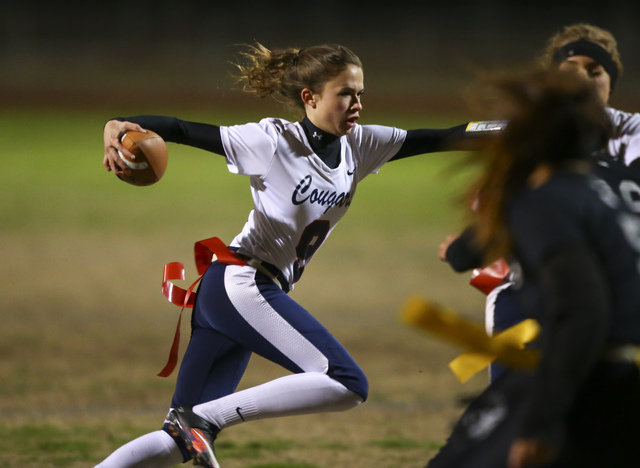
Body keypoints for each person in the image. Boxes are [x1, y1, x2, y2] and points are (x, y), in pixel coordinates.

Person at [97, 43, 495, 468]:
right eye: (345, 93)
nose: (357, 103)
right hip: (242, 283)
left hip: (239, 289)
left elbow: (444, 137)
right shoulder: (272, 140)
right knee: (346, 382)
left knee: (176, 441)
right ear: (310, 98)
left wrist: (522, 127)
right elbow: (178, 127)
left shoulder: (359, 145)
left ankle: (193, 423)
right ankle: (204, 420)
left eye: (360, 93)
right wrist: (118, 126)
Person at [426, 69, 640, 468]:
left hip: (595, 380)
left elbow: (583, 310)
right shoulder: (620, 182)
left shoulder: (546, 199)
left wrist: (541, 420)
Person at [440, 23, 640, 382]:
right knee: (519, 406)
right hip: (531, 283)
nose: (583, 80)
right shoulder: (528, 135)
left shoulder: (631, 134)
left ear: (611, 81)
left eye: (595, 71)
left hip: (616, 285)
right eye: (570, 70)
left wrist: (468, 246)